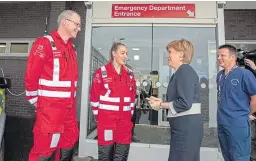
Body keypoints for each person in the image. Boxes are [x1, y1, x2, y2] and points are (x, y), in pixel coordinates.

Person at [24, 10, 81, 161]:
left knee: (68, 142)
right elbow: (31, 74)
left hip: (68, 111)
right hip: (50, 111)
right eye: (77, 24)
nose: (79, 28)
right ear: (65, 22)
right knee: (44, 149)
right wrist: (36, 101)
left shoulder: (72, 49)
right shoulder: (45, 43)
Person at [147, 39, 203, 161]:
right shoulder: (180, 72)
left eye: (171, 52)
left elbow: (184, 103)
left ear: (181, 54)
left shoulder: (184, 70)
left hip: (186, 128)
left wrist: (161, 104)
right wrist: (160, 103)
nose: (168, 56)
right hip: (184, 126)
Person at [90, 42, 136, 160]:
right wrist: (99, 117)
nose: (125, 56)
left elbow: (132, 98)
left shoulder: (130, 75)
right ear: (114, 53)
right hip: (107, 123)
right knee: (105, 156)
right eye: (122, 53)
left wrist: (129, 115)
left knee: (121, 156)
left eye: (126, 53)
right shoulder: (102, 72)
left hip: (124, 123)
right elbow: (94, 98)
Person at [216, 44, 256, 161]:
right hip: (222, 123)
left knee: (239, 157)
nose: (219, 58)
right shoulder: (220, 76)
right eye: (218, 55)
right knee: (227, 156)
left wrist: (247, 114)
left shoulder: (244, 74)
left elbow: (255, 97)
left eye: (222, 55)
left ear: (232, 58)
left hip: (238, 125)